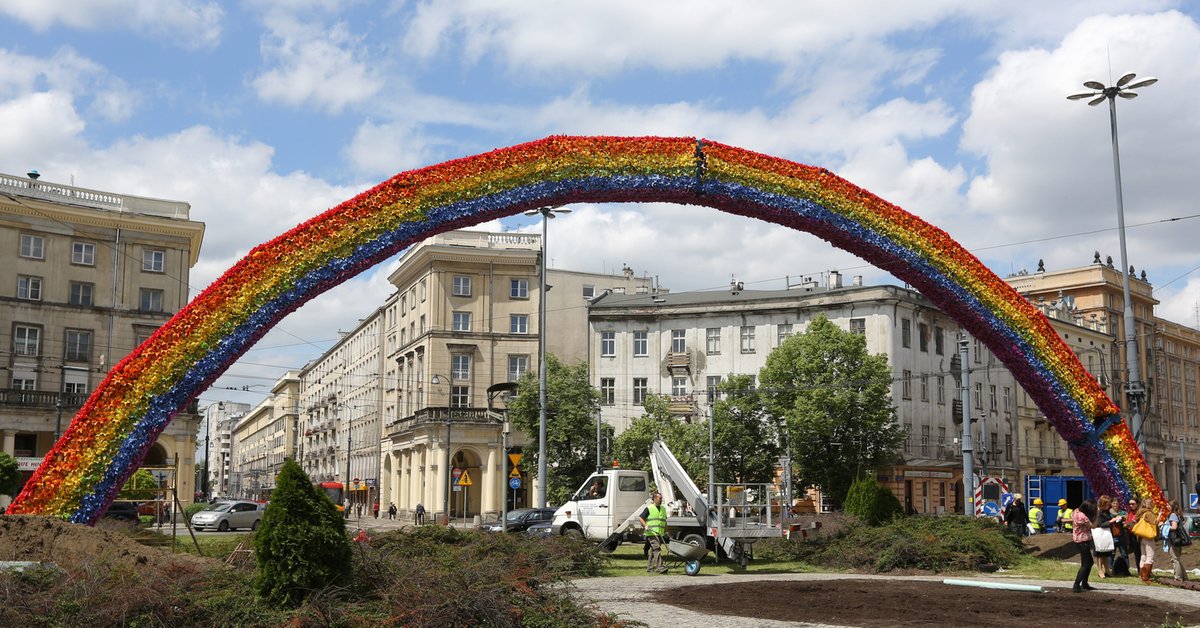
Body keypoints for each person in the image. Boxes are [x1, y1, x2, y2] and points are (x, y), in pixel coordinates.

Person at [639, 492, 669, 574]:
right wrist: (645, 526)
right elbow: (641, 518)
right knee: (657, 549)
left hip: (660, 533)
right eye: (660, 498)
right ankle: (660, 567)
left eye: (661, 498)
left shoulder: (663, 509)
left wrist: (666, 531)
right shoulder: (649, 508)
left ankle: (650, 568)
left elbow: (664, 521)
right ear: (655, 499)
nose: (661, 500)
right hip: (651, 533)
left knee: (653, 551)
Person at [1071, 499, 1096, 592]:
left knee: (1090, 562)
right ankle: (1076, 585)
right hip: (1082, 541)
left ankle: (1084, 584)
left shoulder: (1076, 511)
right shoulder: (1083, 517)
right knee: (1085, 564)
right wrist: (1097, 514)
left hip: (1079, 540)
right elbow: (1093, 526)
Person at [1092, 495, 1117, 579]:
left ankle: (1107, 570)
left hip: (1106, 534)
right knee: (1100, 554)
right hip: (1100, 535)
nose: (1108, 505)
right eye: (1107, 504)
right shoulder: (1099, 512)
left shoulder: (1107, 511)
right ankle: (1100, 571)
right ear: (1102, 503)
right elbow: (1100, 524)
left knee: (1106, 553)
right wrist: (1111, 521)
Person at [1134, 497, 1158, 583]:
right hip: (1148, 537)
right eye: (1153, 504)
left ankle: (1141, 575)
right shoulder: (1148, 513)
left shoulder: (1140, 512)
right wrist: (1159, 517)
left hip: (1141, 537)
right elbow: (1155, 523)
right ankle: (1145, 577)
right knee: (1150, 557)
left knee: (1143, 556)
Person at [1164, 498, 1188, 581]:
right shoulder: (1176, 514)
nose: (1166, 506)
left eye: (1168, 505)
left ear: (1173, 506)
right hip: (1177, 539)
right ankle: (1184, 577)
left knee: (1174, 559)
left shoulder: (1173, 515)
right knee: (1177, 559)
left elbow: (1174, 527)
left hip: (1173, 540)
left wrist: (1164, 526)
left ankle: (1178, 578)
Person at [1124, 497, 1142, 572]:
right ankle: (1139, 571)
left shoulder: (1140, 512)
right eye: (1130, 504)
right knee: (1136, 554)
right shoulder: (1129, 513)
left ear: (1137, 504)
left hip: (1139, 535)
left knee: (1141, 554)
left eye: (1133, 504)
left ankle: (1143, 571)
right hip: (1131, 535)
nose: (1131, 505)